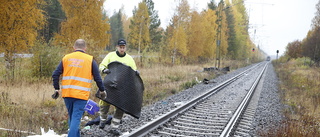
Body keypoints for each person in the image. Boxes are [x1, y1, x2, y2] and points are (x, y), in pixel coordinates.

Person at [52, 39, 106, 137]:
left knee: (73, 118)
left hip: (67, 94)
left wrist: (56, 88)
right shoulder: (90, 60)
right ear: (85, 48)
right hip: (81, 95)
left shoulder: (66, 58)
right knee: (76, 119)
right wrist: (102, 90)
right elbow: (97, 78)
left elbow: (55, 74)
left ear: (74, 48)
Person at [98, 39, 137, 135]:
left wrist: (136, 73)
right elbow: (101, 65)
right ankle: (103, 120)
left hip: (122, 87)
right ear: (117, 47)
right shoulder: (110, 55)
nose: (122, 49)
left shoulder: (129, 59)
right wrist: (104, 70)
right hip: (110, 83)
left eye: (123, 47)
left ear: (125, 47)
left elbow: (133, 70)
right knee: (104, 102)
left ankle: (114, 127)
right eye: (120, 47)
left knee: (121, 107)